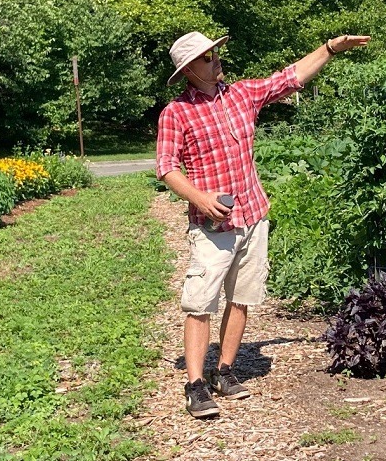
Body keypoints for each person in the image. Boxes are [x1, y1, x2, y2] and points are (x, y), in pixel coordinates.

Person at [156, 31, 370, 418]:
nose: (216, 60)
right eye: (207, 57)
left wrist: (329, 49)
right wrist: (200, 198)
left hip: (253, 216)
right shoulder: (177, 113)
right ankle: (195, 386)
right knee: (200, 303)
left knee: (241, 297)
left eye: (215, 53)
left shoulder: (241, 95)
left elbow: (289, 78)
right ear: (188, 70)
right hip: (212, 226)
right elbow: (167, 167)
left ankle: (224, 371)